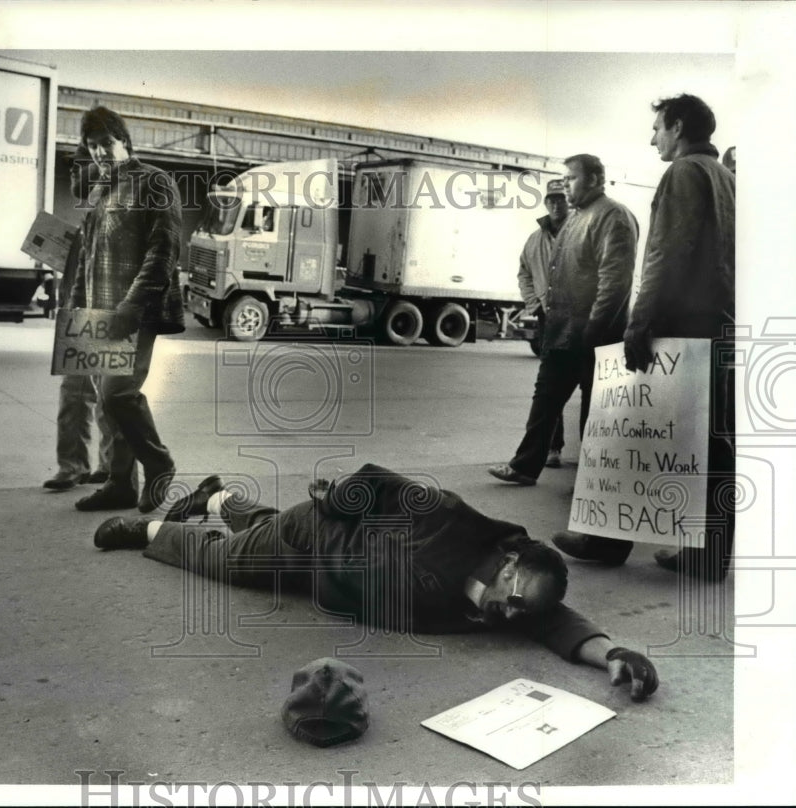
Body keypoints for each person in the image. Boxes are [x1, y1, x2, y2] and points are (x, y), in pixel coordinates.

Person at [93, 464, 660, 702]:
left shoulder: (516, 602)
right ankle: (146, 528)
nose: (512, 616)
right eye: (513, 600)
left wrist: (614, 651)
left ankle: (215, 496)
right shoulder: (448, 518)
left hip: (334, 579)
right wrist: (336, 499)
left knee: (252, 524)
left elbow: (556, 621)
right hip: (310, 541)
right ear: (508, 563)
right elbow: (377, 482)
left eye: (520, 614)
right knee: (225, 560)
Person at [554, 95, 736, 582]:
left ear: (677, 127)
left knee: (626, 429)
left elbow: (664, 252)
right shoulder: (727, 179)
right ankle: (707, 554)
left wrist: (638, 322)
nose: (652, 137)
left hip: (676, 323)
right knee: (710, 441)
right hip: (717, 325)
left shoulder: (683, 173)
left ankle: (606, 540)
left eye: (657, 128)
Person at [489, 155, 639, 486]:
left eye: (571, 179)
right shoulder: (576, 218)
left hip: (591, 335)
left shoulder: (614, 217)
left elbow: (614, 282)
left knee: (595, 410)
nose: (565, 185)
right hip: (561, 332)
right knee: (545, 399)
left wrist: (595, 331)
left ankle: (594, 480)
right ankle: (525, 466)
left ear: (596, 179)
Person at [69, 106, 185, 513]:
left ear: (124, 141)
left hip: (135, 311)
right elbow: (87, 254)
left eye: (106, 143)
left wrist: (131, 304)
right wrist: (76, 307)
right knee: (106, 402)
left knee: (120, 395)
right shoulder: (100, 190)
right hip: (99, 314)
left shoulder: (154, 181)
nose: (100, 152)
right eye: (92, 146)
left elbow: (164, 248)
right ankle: (121, 485)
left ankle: (159, 462)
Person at [43, 147, 122, 493]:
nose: (73, 174)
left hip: (107, 311)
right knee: (75, 394)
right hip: (78, 312)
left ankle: (108, 468)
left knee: (109, 397)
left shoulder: (116, 201)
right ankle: (73, 467)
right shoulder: (89, 209)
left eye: (78, 168)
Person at [517, 177, 572, 468]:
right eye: (550, 198)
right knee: (551, 387)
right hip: (549, 318)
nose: (555, 203)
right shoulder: (535, 239)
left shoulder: (581, 228)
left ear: (569, 199)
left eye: (560, 198)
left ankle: (596, 453)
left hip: (581, 318)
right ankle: (553, 448)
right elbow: (524, 272)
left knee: (590, 386)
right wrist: (534, 304)